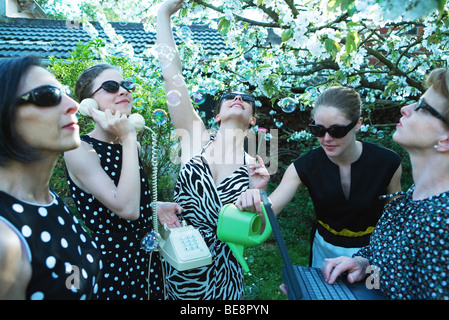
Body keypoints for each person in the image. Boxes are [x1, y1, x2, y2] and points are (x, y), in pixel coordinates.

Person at [157, 0, 269, 299]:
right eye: (229, 96)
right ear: (217, 114)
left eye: (245, 98)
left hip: (226, 271)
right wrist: (163, 14)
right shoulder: (195, 138)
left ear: (252, 120)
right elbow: (173, 77)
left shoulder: (255, 168)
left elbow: (256, 232)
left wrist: (259, 198)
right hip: (183, 263)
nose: (237, 98)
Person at [237, 86, 402, 267]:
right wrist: (257, 192)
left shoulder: (388, 163)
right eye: (318, 130)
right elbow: (267, 214)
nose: (326, 138)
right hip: (325, 251)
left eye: (337, 131)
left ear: (358, 123)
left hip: (372, 252)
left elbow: (394, 221)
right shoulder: (304, 166)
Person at [321, 69, 449, 300]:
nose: (405, 109)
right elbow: (393, 253)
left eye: (422, 107)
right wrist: (362, 261)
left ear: (446, 139)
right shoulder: (415, 196)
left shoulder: (442, 221)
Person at [64, 63, 181, 300]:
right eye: (110, 86)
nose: (123, 91)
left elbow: (127, 199)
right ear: (89, 103)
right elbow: (126, 209)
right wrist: (128, 137)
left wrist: (154, 207)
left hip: (146, 258)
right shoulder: (79, 149)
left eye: (126, 85)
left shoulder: (131, 146)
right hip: (112, 264)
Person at [0, 56, 102, 299]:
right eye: (48, 95)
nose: (73, 105)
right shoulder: (5, 242)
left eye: (66, 93)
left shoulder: (46, 201)